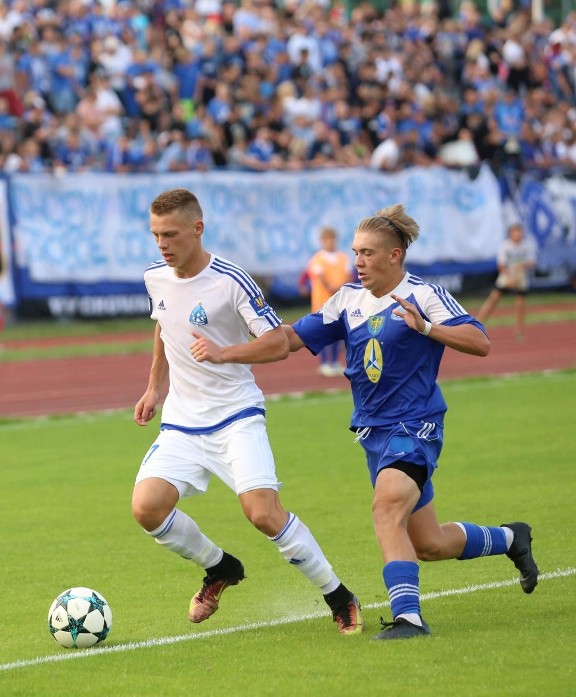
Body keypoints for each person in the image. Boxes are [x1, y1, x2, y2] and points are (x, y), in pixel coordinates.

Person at [189, 204, 539, 640]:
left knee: (386, 507)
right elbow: (288, 340)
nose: (358, 261)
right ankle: (511, 538)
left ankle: (408, 618)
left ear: (395, 255)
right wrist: (226, 349)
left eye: (368, 253)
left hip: (416, 426)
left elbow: (480, 341)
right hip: (374, 435)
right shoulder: (346, 300)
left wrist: (426, 327)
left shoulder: (423, 295)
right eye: (356, 252)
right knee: (428, 543)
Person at [132, 188, 363, 635]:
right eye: (156, 234)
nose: (162, 244)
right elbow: (164, 326)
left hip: (236, 415)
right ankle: (219, 568)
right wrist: (153, 387)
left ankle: (338, 595)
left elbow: (279, 342)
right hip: (182, 421)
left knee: (263, 514)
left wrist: (226, 354)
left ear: (197, 229)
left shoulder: (230, 280)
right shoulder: (154, 278)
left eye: (171, 234)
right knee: (146, 508)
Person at [300, 226, 351, 377]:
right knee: (322, 333)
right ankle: (323, 363)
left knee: (338, 333)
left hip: (340, 303)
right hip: (322, 302)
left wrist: (342, 288)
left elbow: (349, 274)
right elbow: (320, 277)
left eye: (333, 239)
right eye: (328, 239)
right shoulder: (318, 259)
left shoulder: (343, 257)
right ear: (322, 241)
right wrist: (334, 288)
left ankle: (334, 362)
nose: (331, 242)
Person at [476, 223, 537, 340]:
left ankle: (519, 330)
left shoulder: (527, 246)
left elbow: (532, 261)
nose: (518, 235)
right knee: (493, 299)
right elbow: (501, 265)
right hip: (506, 276)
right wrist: (509, 278)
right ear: (510, 234)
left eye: (519, 233)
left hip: (520, 276)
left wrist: (522, 266)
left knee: (520, 304)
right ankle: (477, 324)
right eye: (515, 233)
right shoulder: (505, 246)